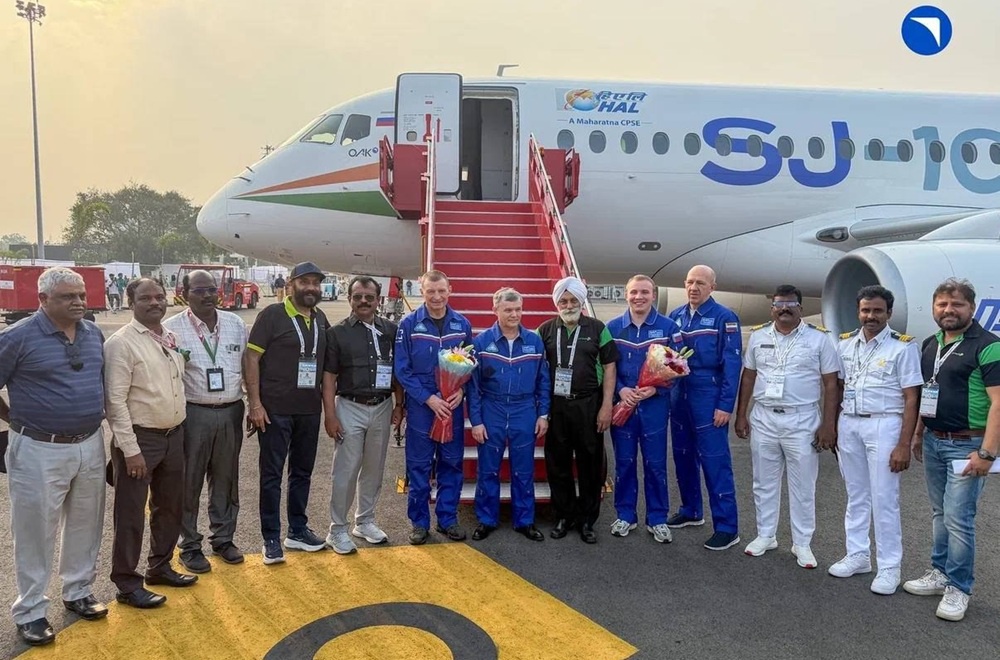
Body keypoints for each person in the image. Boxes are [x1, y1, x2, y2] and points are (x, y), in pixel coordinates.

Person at [0, 268, 108, 646]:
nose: (79, 302)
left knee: (86, 523)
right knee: (35, 530)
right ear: (43, 300)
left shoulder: (93, 333)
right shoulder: (17, 337)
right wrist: (13, 419)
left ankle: (78, 591)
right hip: (38, 448)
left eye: (81, 295)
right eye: (68, 297)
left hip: (90, 443)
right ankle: (31, 610)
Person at [902, 278, 1000, 621]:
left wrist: (987, 454)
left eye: (957, 304)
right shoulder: (932, 343)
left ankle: (959, 587)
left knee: (959, 518)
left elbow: (999, 403)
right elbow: (928, 393)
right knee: (940, 513)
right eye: (942, 304)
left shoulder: (989, 346)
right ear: (934, 307)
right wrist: (918, 433)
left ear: (972, 307)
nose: (949, 310)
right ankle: (940, 572)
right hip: (934, 439)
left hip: (968, 445)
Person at [105, 278, 196, 610]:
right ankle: (127, 583)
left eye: (159, 296)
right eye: (145, 298)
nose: (155, 302)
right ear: (131, 302)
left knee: (169, 507)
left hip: (173, 435)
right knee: (131, 514)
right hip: (140, 439)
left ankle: (159, 567)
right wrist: (130, 451)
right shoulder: (121, 343)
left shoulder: (169, 337)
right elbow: (115, 402)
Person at [735, 284, 840, 569]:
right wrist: (741, 414)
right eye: (779, 304)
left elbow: (831, 384)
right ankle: (765, 535)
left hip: (802, 420)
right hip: (765, 417)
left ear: (800, 309)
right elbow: (749, 376)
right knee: (763, 482)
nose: (784, 309)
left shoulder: (819, 339)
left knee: (803, 485)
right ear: (772, 308)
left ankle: (802, 543)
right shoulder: (758, 336)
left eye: (791, 305)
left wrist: (829, 424)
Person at [829, 285, 922, 595]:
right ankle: (858, 555)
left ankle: (889, 567)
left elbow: (911, 398)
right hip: (850, 423)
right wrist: (834, 427)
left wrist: (904, 444)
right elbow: (838, 387)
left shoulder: (902, 348)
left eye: (877, 311)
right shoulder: (845, 344)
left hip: (884, 424)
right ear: (858, 311)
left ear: (889, 313)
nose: (871, 316)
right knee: (856, 494)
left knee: (884, 498)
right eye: (866, 310)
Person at [163, 271, 248, 573]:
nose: (208, 295)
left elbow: (247, 366)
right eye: (199, 290)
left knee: (226, 479)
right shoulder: (171, 329)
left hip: (231, 410)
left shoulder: (236, 324)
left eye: (212, 289)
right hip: (193, 413)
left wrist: (255, 403)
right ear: (185, 293)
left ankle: (223, 539)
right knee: (189, 481)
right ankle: (189, 545)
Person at [245, 262, 329, 565]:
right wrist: (255, 403)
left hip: (308, 409)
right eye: (305, 282)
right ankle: (271, 537)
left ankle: (297, 530)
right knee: (271, 476)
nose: (311, 288)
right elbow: (251, 358)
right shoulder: (272, 315)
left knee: (302, 473)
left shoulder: (320, 319)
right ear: (290, 285)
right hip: (274, 411)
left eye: (316, 283)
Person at [322, 276, 404, 554]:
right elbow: (329, 377)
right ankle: (337, 529)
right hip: (350, 406)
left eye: (369, 297)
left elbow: (398, 372)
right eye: (357, 296)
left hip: (382, 406)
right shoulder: (337, 333)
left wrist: (399, 405)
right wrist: (330, 415)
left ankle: (365, 520)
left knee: (373, 468)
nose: (364, 301)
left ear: (378, 300)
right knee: (345, 471)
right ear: (350, 299)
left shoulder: (391, 330)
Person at [667, 265, 743, 551]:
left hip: (708, 394)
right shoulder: (675, 316)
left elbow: (732, 364)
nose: (694, 288)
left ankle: (727, 527)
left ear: (712, 287)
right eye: (690, 282)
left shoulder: (724, 317)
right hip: (680, 394)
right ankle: (691, 510)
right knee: (683, 455)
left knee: (715, 461)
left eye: (700, 283)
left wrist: (725, 405)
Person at [537, 276, 618, 543]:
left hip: (588, 404)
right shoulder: (544, 330)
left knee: (590, 465)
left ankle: (587, 520)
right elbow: (535, 367)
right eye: (563, 301)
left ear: (582, 302)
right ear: (556, 303)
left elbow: (609, 367)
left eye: (573, 300)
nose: (569, 305)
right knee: (557, 463)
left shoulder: (598, 328)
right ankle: (564, 516)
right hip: (557, 406)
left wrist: (606, 406)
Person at [394, 270, 473, 545]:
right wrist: (428, 398)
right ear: (422, 291)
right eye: (431, 291)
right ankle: (419, 522)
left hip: (451, 406)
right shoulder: (409, 325)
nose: (437, 297)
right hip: (422, 407)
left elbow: (470, 365)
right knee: (419, 465)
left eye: (441, 291)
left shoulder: (462, 324)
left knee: (451, 463)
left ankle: (447, 519)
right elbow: (402, 369)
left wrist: (461, 391)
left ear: (450, 290)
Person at [468, 288, 551, 542]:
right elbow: (473, 387)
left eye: (518, 309)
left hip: (524, 410)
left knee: (523, 470)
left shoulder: (534, 341)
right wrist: (476, 421)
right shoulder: (482, 342)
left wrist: (543, 414)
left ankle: (524, 520)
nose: (514, 314)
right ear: (495, 310)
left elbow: (543, 380)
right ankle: (486, 519)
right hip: (491, 408)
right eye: (508, 310)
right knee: (488, 469)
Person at [606, 274, 682, 543]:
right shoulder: (613, 328)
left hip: (654, 408)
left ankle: (657, 518)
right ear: (626, 294)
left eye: (645, 292)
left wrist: (657, 389)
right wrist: (621, 390)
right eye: (634, 292)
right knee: (624, 463)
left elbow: (678, 368)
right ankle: (625, 515)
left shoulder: (668, 327)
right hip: (624, 406)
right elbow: (607, 368)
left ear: (653, 295)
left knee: (656, 464)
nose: (639, 297)